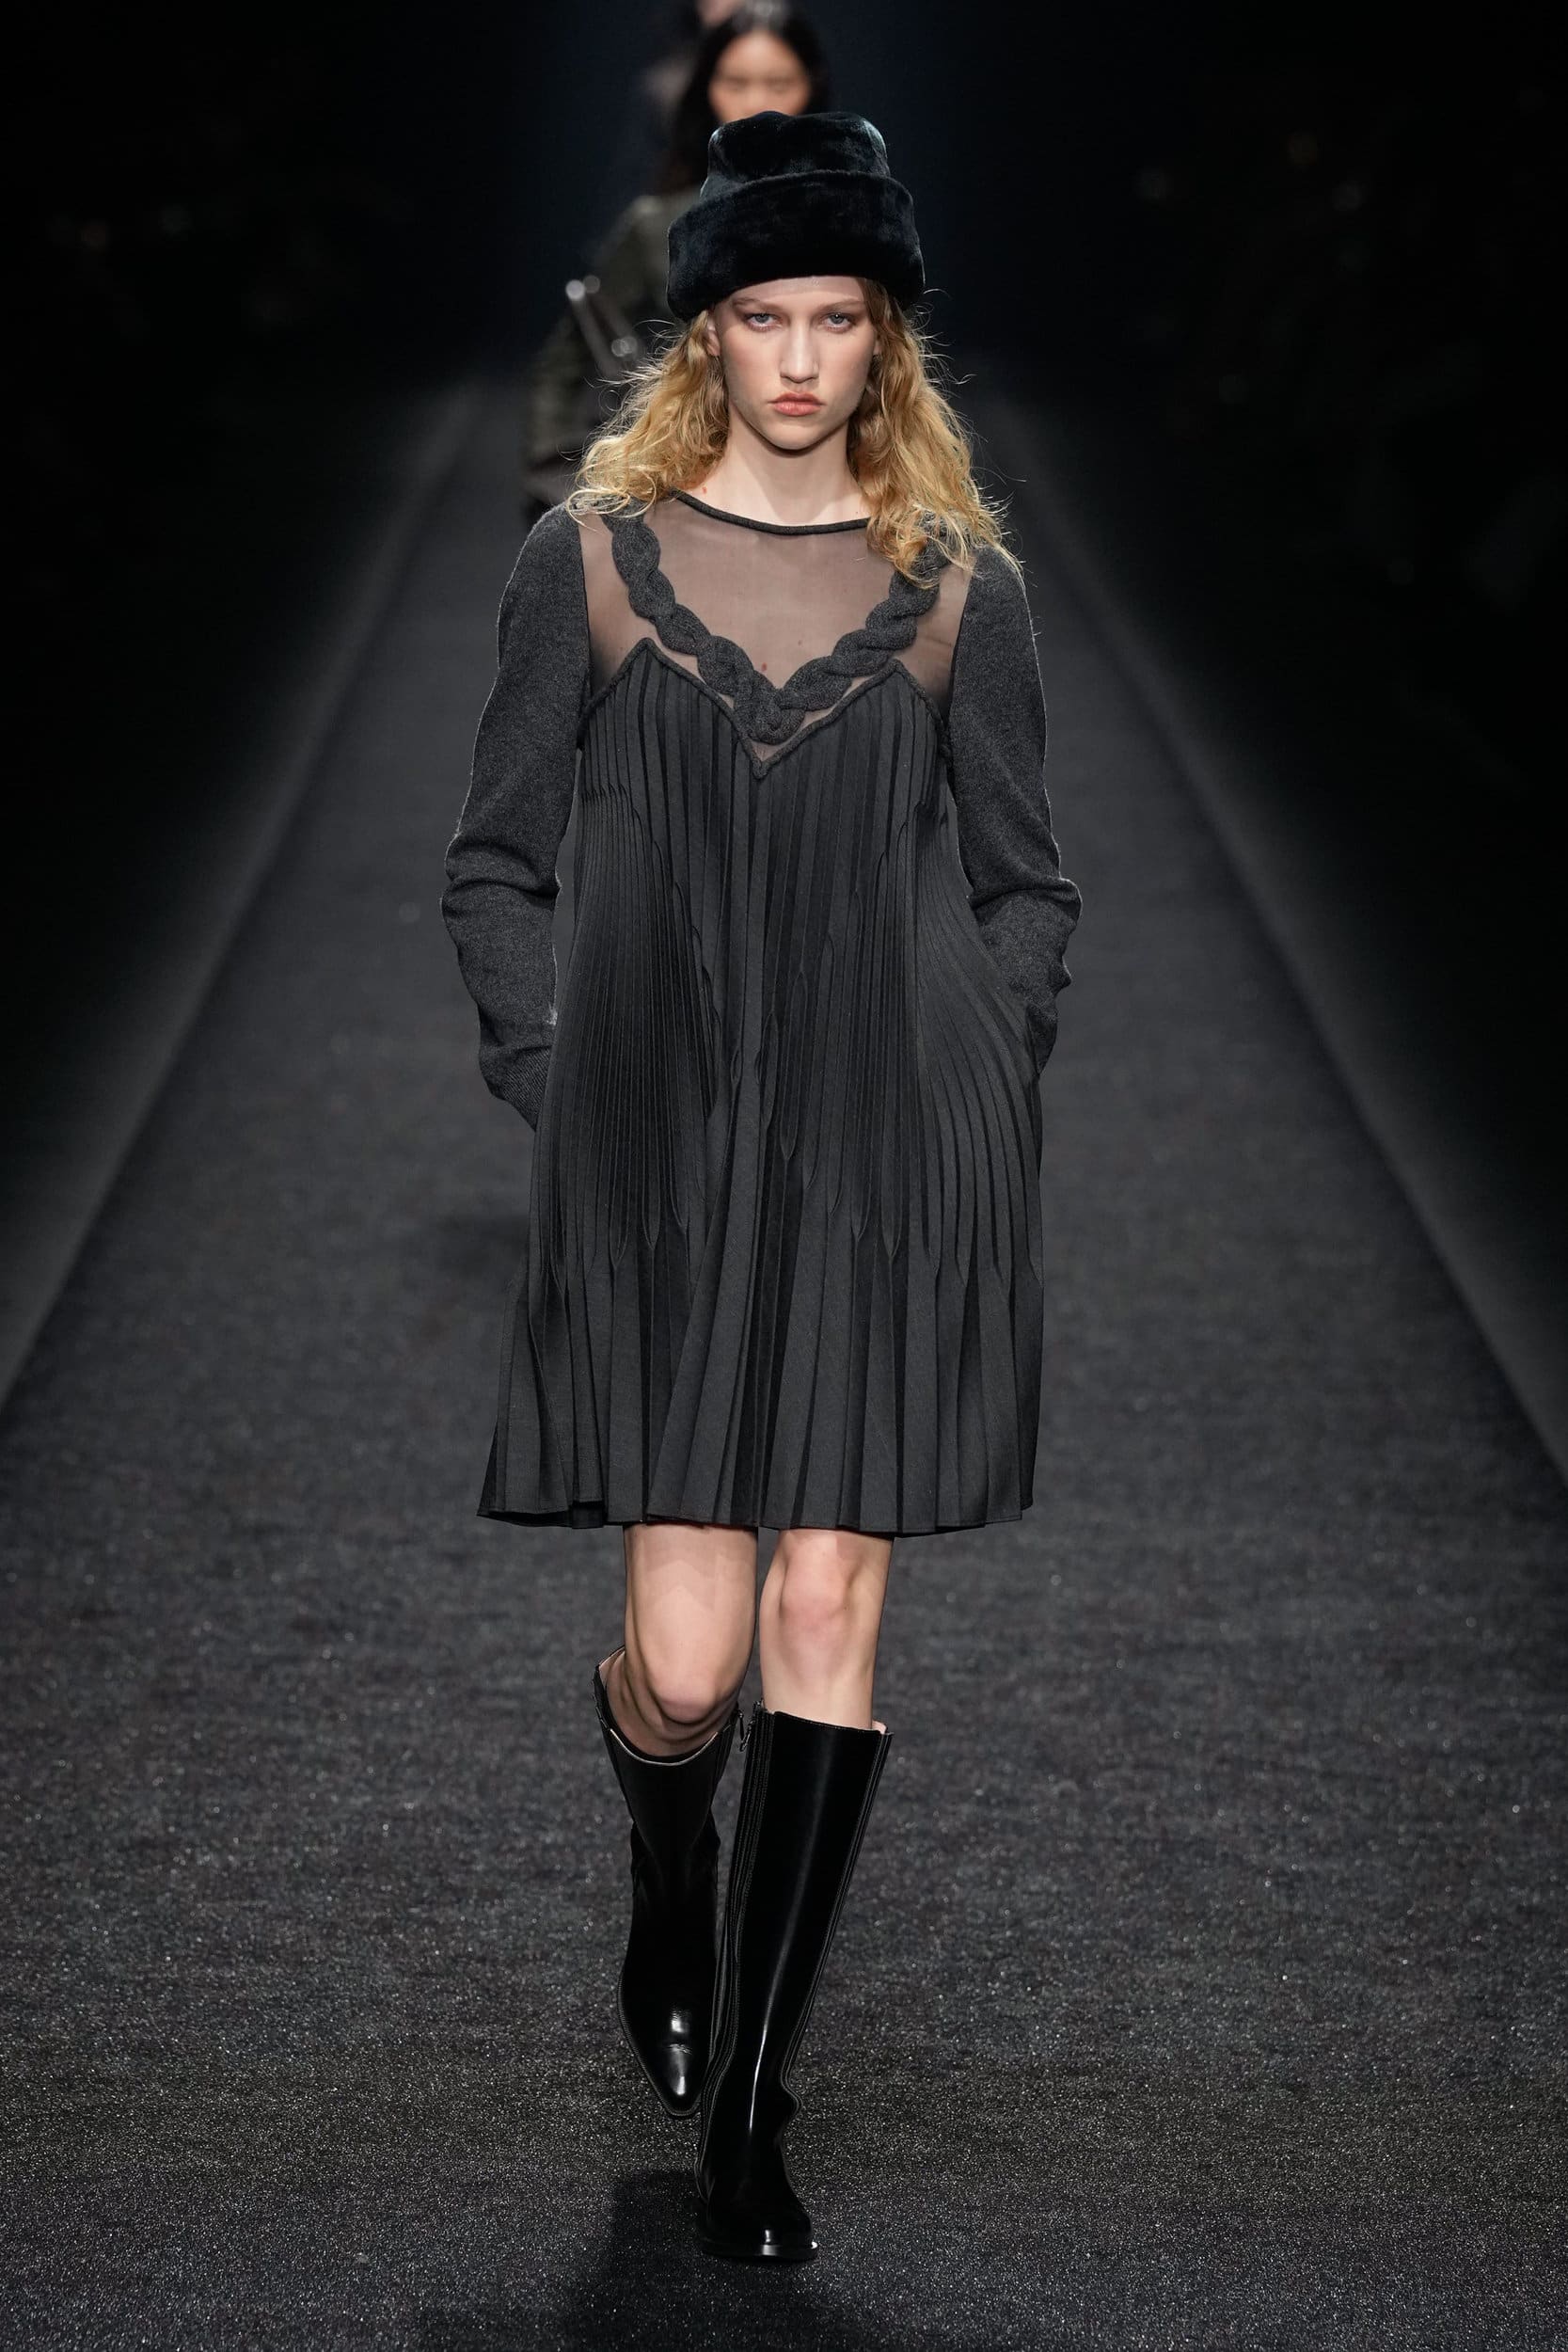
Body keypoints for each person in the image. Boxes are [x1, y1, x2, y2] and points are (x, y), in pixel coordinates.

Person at [444, 110, 1084, 2263]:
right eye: (763, 316)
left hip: (888, 1143)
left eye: (837, 317)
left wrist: (990, 1079)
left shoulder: (958, 588)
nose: (800, 357)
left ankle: (751, 2107)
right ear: (703, 329)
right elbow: (495, 859)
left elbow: (1025, 880)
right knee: (687, 1666)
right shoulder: (587, 563)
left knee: (827, 1603)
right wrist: (554, 1080)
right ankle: (667, 1876)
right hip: (657, 1149)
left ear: (882, 337)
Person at [519, 5, 829, 514]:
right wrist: (552, 483)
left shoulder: (847, 220)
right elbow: (564, 360)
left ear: (811, 89)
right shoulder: (658, 225)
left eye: (779, 84)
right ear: (706, 89)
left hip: (818, 488)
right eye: (736, 83)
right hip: (681, 489)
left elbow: (895, 364)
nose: (756, 104)